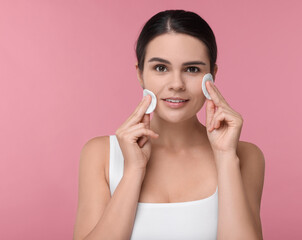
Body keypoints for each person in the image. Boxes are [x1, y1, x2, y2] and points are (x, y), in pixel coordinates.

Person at [73, 9, 265, 240]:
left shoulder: (245, 156)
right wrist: (134, 170)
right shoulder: (101, 154)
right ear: (140, 74)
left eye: (192, 69)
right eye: (161, 68)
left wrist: (225, 157)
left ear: (212, 75)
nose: (176, 84)